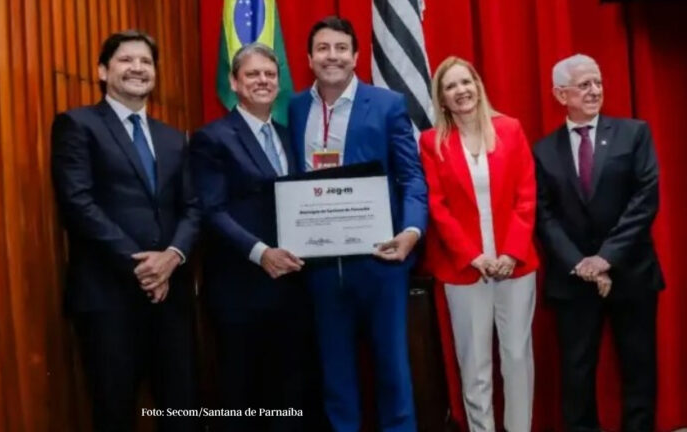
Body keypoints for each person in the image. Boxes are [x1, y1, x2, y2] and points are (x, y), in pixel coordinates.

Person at [50, 30, 200, 431]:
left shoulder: (174, 138)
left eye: (146, 61)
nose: (137, 68)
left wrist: (172, 257)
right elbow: (78, 204)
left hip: (170, 298)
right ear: (103, 71)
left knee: (181, 413)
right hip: (108, 297)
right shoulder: (77, 125)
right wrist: (143, 267)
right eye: (126, 60)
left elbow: (192, 208)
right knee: (114, 414)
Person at [288, 16, 428, 432]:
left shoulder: (387, 104)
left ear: (355, 56)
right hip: (320, 266)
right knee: (335, 373)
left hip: (380, 260)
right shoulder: (295, 108)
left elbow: (412, 177)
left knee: (392, 369)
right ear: (309, 58)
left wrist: (411, 232)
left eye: (340, 48)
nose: (332, 56)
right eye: (323, 48)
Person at [189, 43, 316, 432]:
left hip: (291, 288)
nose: (263, 80)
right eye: (253, 74)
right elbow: (211, 210)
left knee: (290, 395)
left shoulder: (289, 136)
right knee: (241, 397)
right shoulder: (213, 137)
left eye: (270, 74)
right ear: (234, 82)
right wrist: (261, 253)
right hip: (240, 290)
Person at [534, 53, 663, 432]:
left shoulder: (634, 134)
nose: (595, 91)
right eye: (584, 84)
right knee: (577, 375)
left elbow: (645, 200)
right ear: (561, 94)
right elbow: (543, 216)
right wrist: (581, 264)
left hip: (632, 273)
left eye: (598, 83)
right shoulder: (543, 150)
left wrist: (605, 258)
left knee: (639, 369)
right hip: (573, 280)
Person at [418, 56, 539, 432]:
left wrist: (511, 252)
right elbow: (437, 207)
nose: (461, 91)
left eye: (465, 82)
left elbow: (526, 195)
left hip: (515, 266)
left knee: (517, 358)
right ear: (441, 99)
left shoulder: (510, 129)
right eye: (450, 86)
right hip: (464, 271)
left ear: (478, 86)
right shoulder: (431, 142)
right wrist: (473, 256)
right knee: (475, 366)